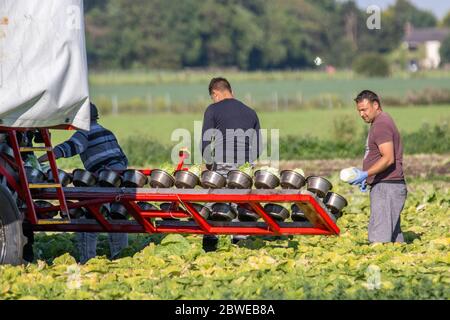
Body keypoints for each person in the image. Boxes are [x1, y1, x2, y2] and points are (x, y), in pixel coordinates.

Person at [38, 102, 129, 263]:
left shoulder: (84, 133)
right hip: (118, 180)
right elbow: (123, 158)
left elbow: (69, 148)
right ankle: (120, 256)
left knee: (89, 219)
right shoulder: (108, 132)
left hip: (104, 181)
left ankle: (87, 259)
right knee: (116, 218)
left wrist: (43, 158)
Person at [201, 77, 261, 251]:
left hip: (222, 161)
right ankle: (240, 246)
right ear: (231, 91)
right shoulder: (251, 112)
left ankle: (210, 245)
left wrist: (210, 164)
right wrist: (247, 164)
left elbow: (205, 142)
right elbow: (258, 146)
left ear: (215, 93)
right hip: (244, 167)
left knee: (214, 201)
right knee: (241, 203)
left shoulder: (213, 109)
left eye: (213, 97)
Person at [348, 90, 407, 244]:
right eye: (359, 111)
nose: (361, 114)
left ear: (376, 105)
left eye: (364, 109)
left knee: (378, 241)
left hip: (387, 188)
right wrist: (368, 177)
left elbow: (388, 158)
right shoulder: (381, 121)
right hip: (387, 186)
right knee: (394, 241)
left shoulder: (381, 124)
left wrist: (365, 173)